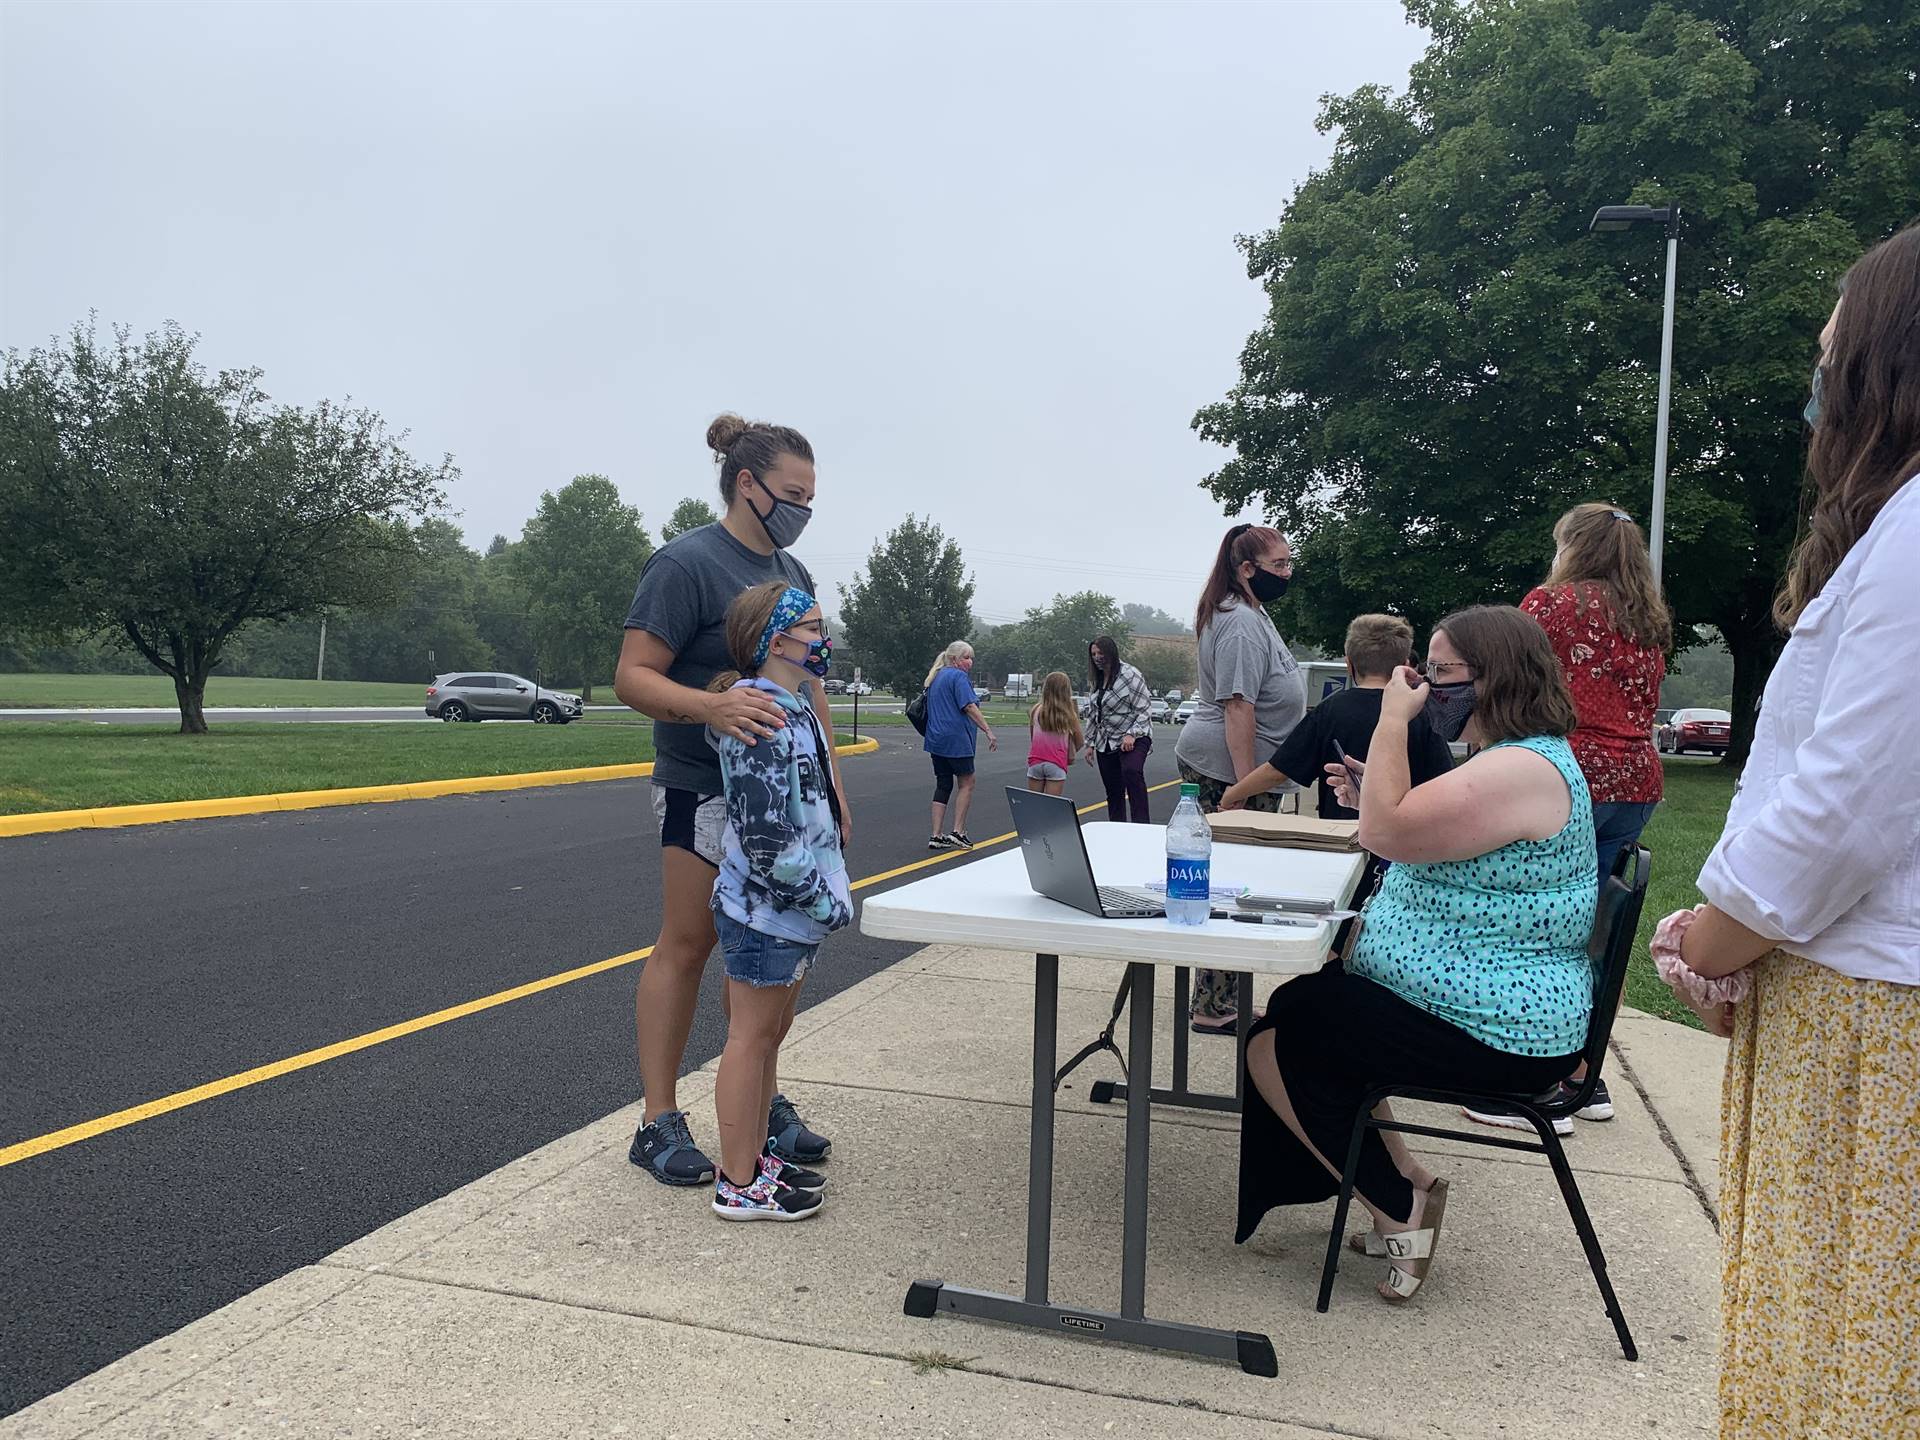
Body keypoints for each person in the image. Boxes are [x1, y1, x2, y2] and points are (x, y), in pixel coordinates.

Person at [1657, 225, 1920, 1440]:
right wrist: (1725, 926)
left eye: (1830, 356)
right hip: (1845, 998)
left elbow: (1846, 804)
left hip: (1875, 1028)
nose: (1815, 388)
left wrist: (1716, 936)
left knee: (1843, 1368)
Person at [1235, 606, 1597, 1304]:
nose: (1423, 685)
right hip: (1489, 1007)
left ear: (1495, 679)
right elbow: (1406, 820)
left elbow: (1384, 829)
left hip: (1503, 1031)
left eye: (1440, 673)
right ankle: (1409, 1186)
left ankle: (1397, 1208)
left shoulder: (1521, 767)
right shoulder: (1515, 761)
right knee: (1301, 1013)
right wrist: (1374, 781)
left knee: (1278, 1036)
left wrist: (1393, 720)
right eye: (1420, 673)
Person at [615, 414, 841, 1189]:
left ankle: (759, 1102)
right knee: (689, 943)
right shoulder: (686, 564)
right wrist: (710, 708)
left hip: (786, 799)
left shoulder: (794, 572)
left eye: (810, 497)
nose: (802, 508)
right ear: (747, 484)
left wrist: (833, 795)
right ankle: (656, 1120)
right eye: (792, 493)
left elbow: (809, 686)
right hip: (701, 790)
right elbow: (633, 675)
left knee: (774, 945)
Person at [1471, 502, 1670, 1129]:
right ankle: (1585, 1073)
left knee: (1539, 917)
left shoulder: (1552, 605)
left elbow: (1513, 681)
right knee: (1596, 927)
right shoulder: (1651, 617)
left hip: (1569, 774)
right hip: (1636, 777)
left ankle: (1534, 1079)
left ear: (1573, 547)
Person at [705, 582, 847, 1220]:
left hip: (787, 910)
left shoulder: (795, 708)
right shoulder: (762, 715)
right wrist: (821, 901)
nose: (824, 639)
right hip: (764, 908)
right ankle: (737, 1182)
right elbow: (767, 836)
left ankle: (755, 1156)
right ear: (776, 637)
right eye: (814, 628)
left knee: (771, 1036)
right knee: (750, 1037)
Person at [1175, 524, 1307, 1032]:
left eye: (1289, 563)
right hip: (1225, 770)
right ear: (1246, 569)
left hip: (1237, 770)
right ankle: (1212, 1008)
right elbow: (1237, 707)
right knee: (1231, 888)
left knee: (1237, 886)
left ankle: (1219, 1000)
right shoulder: (1240, 623)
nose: (1287, 573)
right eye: (1279, 566)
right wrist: (1244, 787)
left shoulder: (1249, 612)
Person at [1219, 613, 1453, 822]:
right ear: (1404, 665)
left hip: (1342, 839)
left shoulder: (1331, 710)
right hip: (1407, 839)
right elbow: (1445, 779)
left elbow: (1278, 770)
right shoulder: (1421, 712)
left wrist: (1233, 794)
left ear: (1349, 664)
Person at [923, 640, 996, 851]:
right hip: (956, 740)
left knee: (943, 783)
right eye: (966, 657)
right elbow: (969, 706)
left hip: (936, 739)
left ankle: (936, 834)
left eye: (971, 657)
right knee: (967, 782)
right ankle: (958, 831)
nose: (970, 662)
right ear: (954, 659)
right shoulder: (958, 677)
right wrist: (988, 730)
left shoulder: (936, 676)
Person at [1081, 635, 1154, 821]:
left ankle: (1142, 826)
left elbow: (1144, 708)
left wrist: (1131, 734)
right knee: (1113, 790)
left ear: (1110, 652)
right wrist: (1089, 743)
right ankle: (1117, 829)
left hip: (1134, 737)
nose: (1097, 657)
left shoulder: (1130, 675)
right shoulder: (1097, 681)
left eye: (1100, 653)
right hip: (1105, 740)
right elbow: (1094, 713)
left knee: (1131, 771)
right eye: (1094, 654)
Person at [1026, 670, 1084, 796]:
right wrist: (1069, 751)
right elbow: (1080, 741)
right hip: (1057, 762)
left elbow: (1033, 737)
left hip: (1036, 761)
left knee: (1034, 803)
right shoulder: (1069, 714)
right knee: (1051, 806)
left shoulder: (1035, 710)